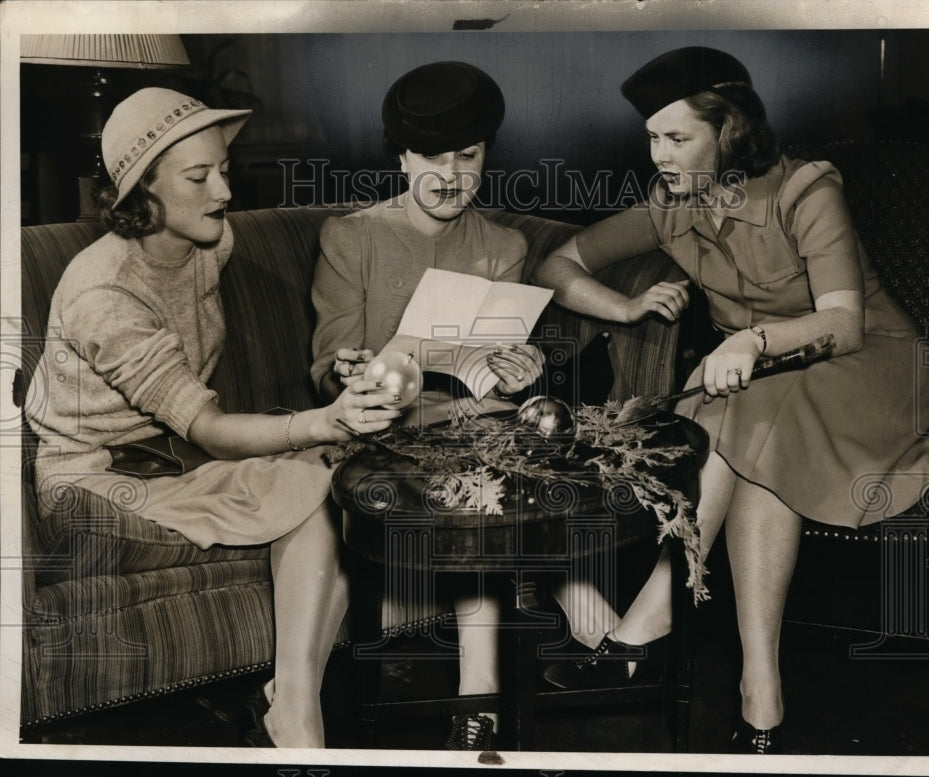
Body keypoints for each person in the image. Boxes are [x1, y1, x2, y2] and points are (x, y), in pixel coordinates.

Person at [532, 47, 929, 754]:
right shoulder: (670, 207)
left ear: (730, 131)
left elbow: (844, 323)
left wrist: (753, 342)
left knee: (746, 420)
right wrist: (624, 306)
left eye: (678, 138)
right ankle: (759, 689)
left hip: (875, 369)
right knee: (758, 443)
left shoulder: (804, 189)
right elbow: (558, 263)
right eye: (653, 136)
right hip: (766, 394)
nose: (660, 155)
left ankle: (647, 619)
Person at [25, 87, 404, 749]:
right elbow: (206, 426)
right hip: (95, 487)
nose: (224, 191)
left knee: (335, 478)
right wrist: (327, 421)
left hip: (178, 463)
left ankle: (293, 702)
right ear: (141, 191)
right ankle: (300, 716)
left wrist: (334, 392)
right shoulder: (104, 293)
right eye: (199, 177)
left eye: (223, 169)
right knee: (317, 471)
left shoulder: (211, 241)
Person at [311, 60, 616, 750]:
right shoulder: (349, 236)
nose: (451, 176)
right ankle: (586, 629)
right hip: (379, 427)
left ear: (487, 156)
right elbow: (330, 363)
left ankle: (481, 698)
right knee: (476, 476)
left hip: (467, 427)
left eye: (469, 156)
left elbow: (488, 371)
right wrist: (348, 366)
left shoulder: (501, 246)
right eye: (432, 158)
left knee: (501, 457)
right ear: (400, 155)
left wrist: (519, 363)